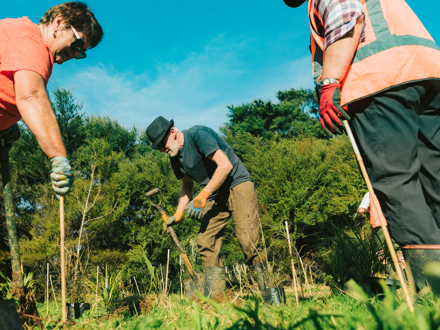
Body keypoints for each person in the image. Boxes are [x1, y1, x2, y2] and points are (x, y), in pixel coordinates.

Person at [283, 0, 440, 290]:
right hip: (428, 72)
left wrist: (329, 82)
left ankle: (433, 290)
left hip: (379, 80)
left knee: (395, 180)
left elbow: (348, 16)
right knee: (435, 177)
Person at [146, 116, 267, 298]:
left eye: (162, 144)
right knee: (205, 241)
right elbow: (187, 186)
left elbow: (225, 166)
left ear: (172, 132)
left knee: (248, 239)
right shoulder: (175, 157)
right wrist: (178, 214)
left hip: (237, 183)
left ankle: (269, 292)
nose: (162, 149)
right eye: (158, 147)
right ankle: (218, 297)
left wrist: (203, 195)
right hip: (216, 193)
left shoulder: (198, 135)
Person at [0, 1, 104, 195]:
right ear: (58, 23)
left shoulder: (24, 41)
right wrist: (58, 157)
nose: (75, 53)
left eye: (81, 52)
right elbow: (31, 95)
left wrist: (6, 124)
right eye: (78, 43)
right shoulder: (31, 41)